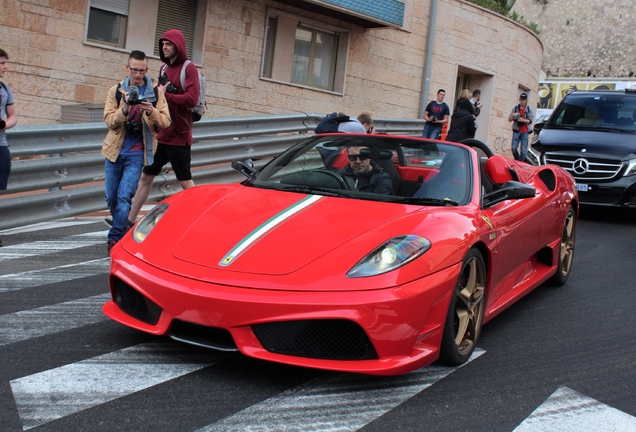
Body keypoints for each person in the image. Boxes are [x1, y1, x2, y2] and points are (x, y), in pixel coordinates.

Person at [128, 29, 201, 224]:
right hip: (162, 134)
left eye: (168, 44)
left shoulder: (189, 68)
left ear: (178, 45)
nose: (164, 47)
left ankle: (200, 219)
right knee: (146, 176)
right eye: (162, 44)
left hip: (179, 135)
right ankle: (129, 221)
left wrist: (164, 94)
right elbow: (159, 99)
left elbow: (192, 99)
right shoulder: (163, 70)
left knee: (185, 180)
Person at [102, 50, 171, 253]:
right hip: (114, 151)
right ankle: (122, 228)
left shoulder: (155, 94)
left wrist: (152, 111)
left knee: (124, 196)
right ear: (127, 68)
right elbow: (108, 120)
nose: (138, 75)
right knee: (111, 197)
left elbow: (166, 121)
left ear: (147, 70)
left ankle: (115, 239)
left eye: (142, 71)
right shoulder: (116, 91)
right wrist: (123, 110)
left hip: (136, 153)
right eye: (134, 70)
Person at [0, 48, 17, 247]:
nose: (5, 67)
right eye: (2, 63)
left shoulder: (4, 87)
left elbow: (13, 115)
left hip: (2, 144)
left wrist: (5, 124)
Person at [508, 92, 534, 161]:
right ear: (519, 100)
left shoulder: (529, 109)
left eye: (524, 100)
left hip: (525, 131)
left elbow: (530, 121)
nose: (522, 101)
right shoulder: (516, 108)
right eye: (521, 99)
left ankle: (521, 163)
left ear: (526, 101)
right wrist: (514, 115)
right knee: (513, 148)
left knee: (523, 150)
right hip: (516, 130)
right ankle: (517, 160)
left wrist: (522, 120)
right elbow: (509, 120)